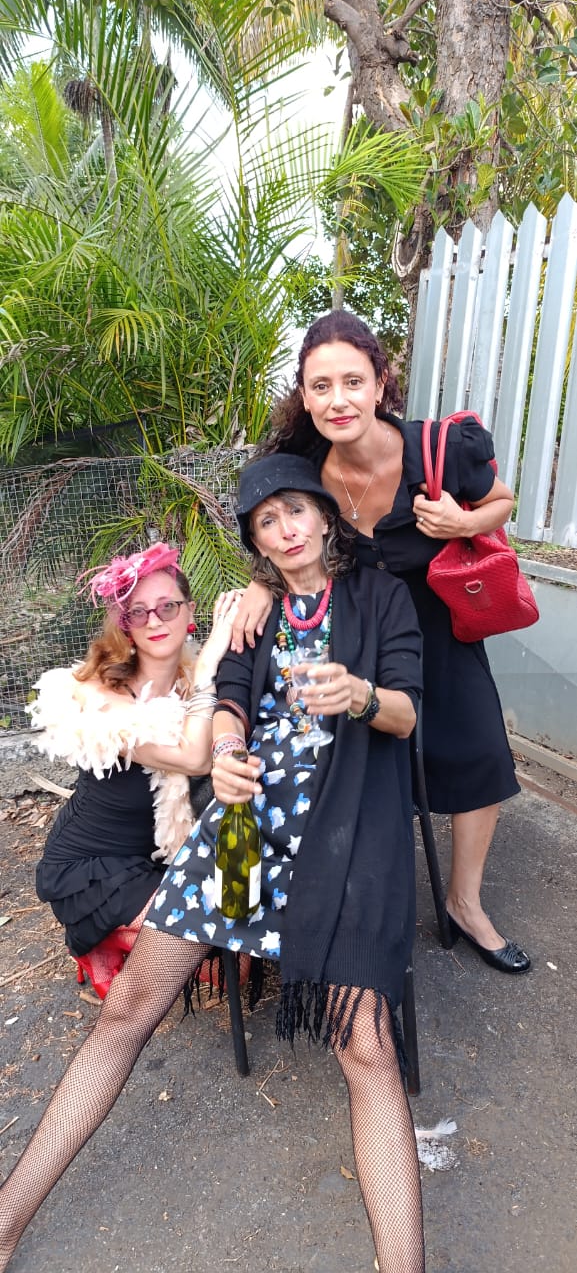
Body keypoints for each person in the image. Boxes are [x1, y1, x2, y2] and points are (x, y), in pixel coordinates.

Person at [0, 455, 425, 1273]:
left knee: (365, 1049)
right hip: (243, 833)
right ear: (257, 544)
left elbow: (407, 713)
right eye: (266, 521)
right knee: (129, 1008)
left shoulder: (381, 599)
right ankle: (6, 1219)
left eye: (295, 510)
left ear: (324, 518)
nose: (285, 529)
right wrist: (227, 754)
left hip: (344, 834)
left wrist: (360, 696)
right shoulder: (253, 615)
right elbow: (227, 702)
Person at [232, 309, 530, 974]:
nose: (337, 399)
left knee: (478, 750)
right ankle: (337, 890)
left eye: (352, 381)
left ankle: (464, 902)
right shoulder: (304, 466)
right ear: (305, 395)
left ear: (379, 382)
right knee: (364, 759)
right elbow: (273, 529)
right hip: (357, 632)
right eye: (321, 386)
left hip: (438, 624)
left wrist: (462, 520)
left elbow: (502, 500)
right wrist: (259, 584)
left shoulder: (438, 449)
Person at [28, 541, 240, 998]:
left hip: (153, 860)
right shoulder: (101, 697)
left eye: (168, 607)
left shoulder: (187, 683)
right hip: (89, 868)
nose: (155, 621)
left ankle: (128, 935)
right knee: (205, 949)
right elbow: (193, 757)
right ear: (124, 624)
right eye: (138, 612)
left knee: (238, 963)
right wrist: (208, 667)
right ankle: (98, 938)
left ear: (190, 611)